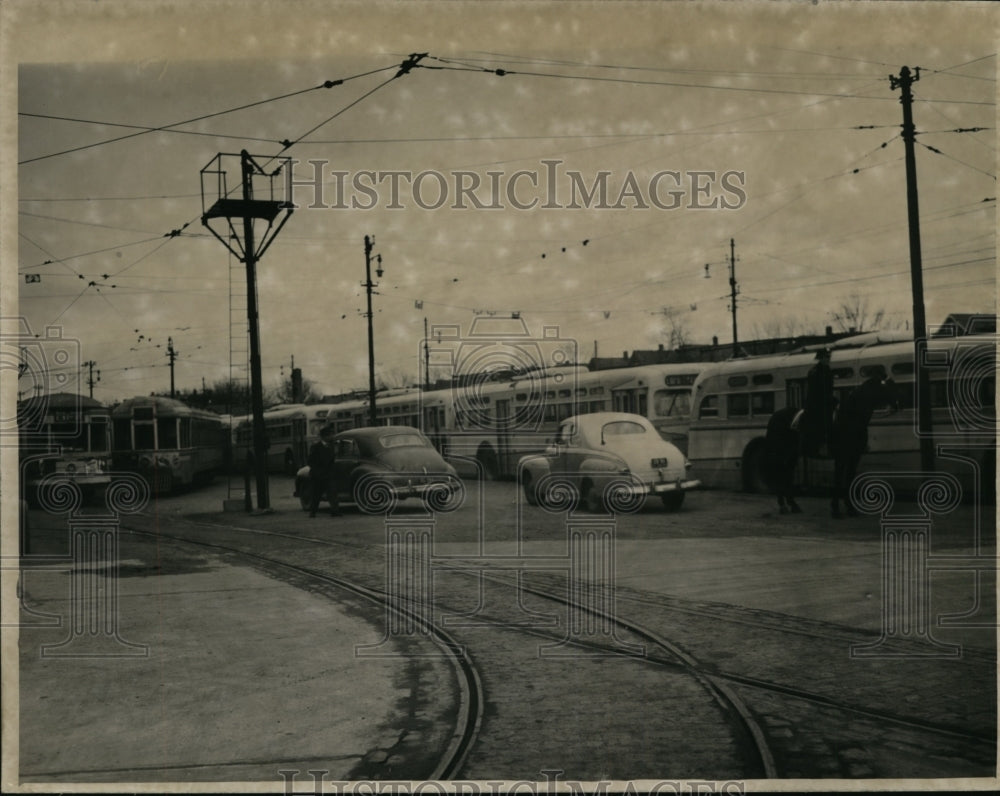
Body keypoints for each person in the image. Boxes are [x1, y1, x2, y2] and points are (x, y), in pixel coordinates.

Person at [803, 348, 836, 457]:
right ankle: (818, 445)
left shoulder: (828, 370)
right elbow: (815, 391)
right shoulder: (814, 372)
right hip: (816, 404)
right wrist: (827, 399)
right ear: (820, 358)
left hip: (827, 402)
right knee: (819, 423)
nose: (828, 359)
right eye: (826, 357)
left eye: (829, 357)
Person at [307, 425, 341, 517]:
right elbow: (310, 461)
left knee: (332, 493)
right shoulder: (315, 447)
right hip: (318, 476)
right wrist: (318, 472)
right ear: (324, 436)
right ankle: (312, 512)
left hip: (328, 475)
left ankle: (335, 511)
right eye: (330, 435)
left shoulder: (332, 446)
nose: (332, 436)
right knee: (316, 495)